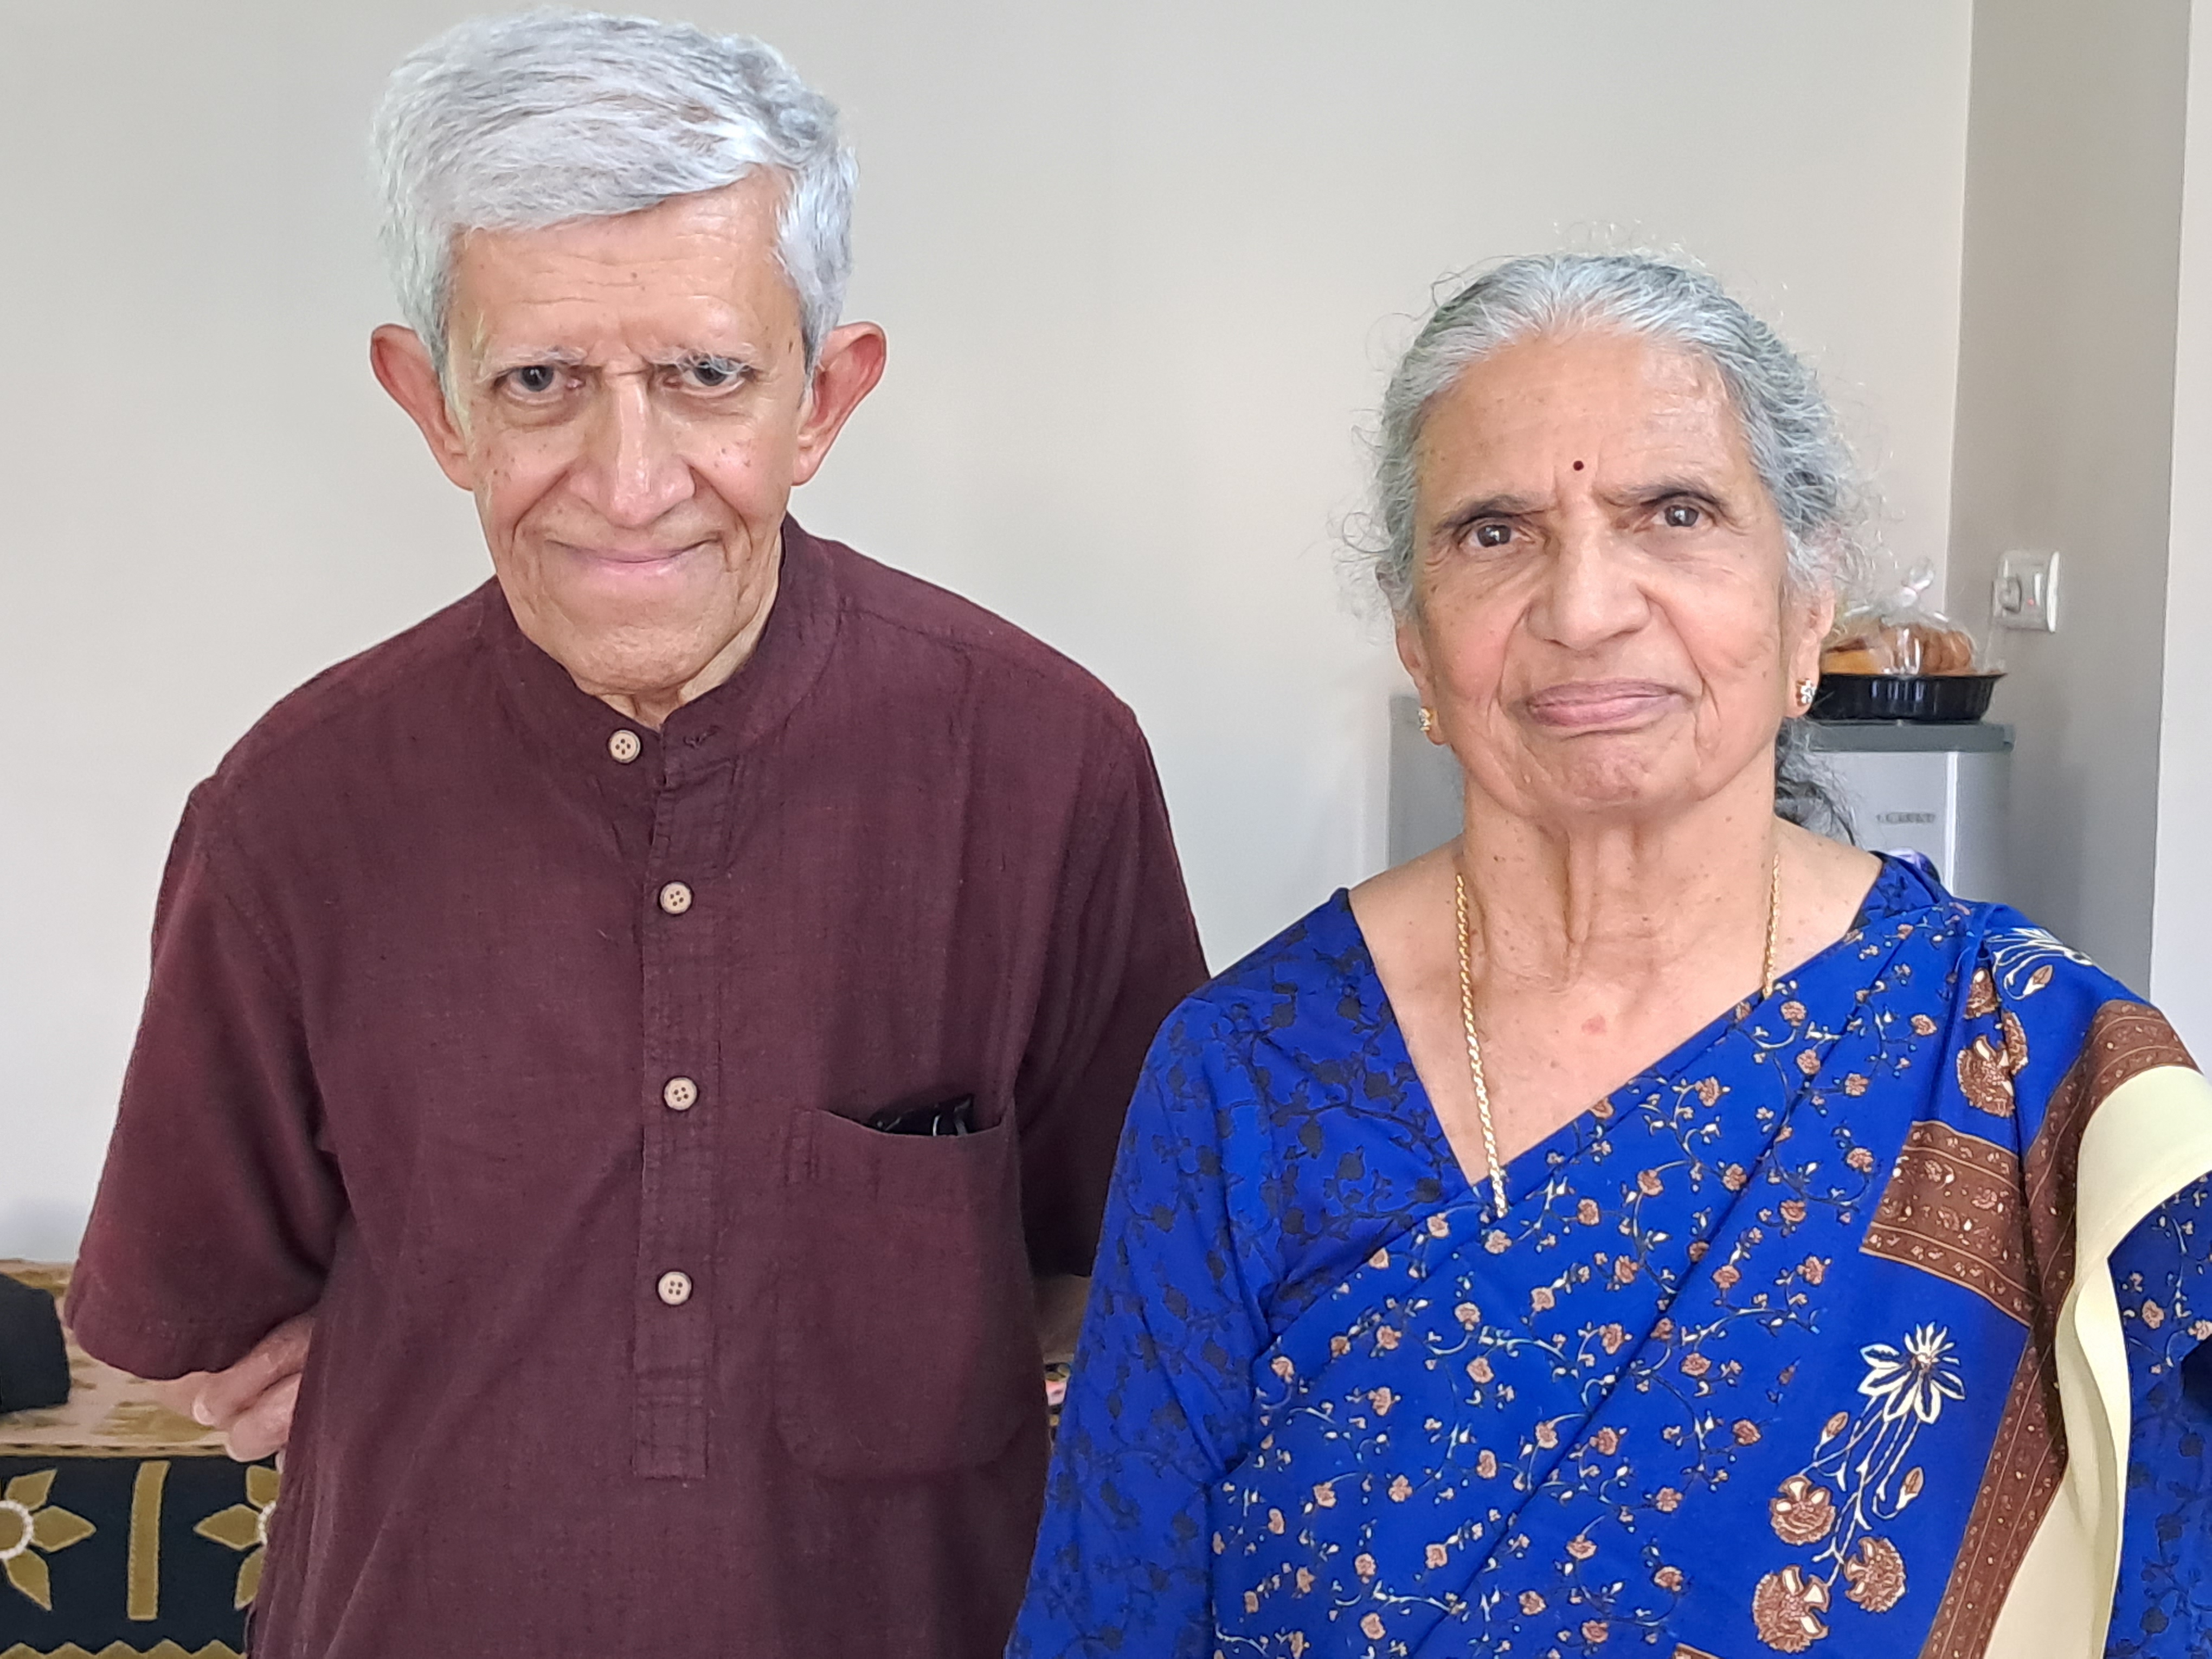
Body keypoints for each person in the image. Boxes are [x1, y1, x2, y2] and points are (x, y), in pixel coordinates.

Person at [66, 12, 1206, 1657]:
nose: (628, 476)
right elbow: (198, 1331)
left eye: (705, 378)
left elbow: (1137, 1276)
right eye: (541, 380)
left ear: (823, 397)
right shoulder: (290, 813)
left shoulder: (1050, 765)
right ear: (433, 403)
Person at [1008, 254, 2212, 1658]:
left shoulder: (2037, 1077)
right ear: (1415, 636)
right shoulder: (1247, 1075)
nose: (1585, 606)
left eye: (1678, 513)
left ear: (1809, 605)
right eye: (1493, 533)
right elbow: (1115, 1615)